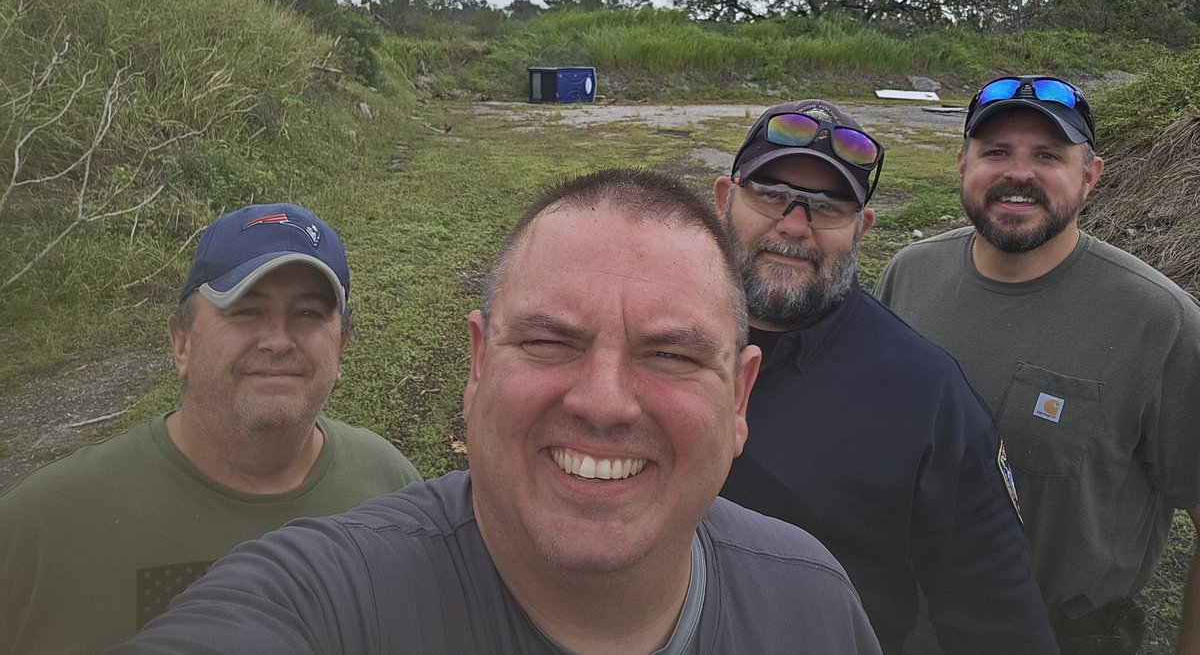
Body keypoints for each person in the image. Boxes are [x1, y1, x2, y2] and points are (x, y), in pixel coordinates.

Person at [116, 169, 883, 654]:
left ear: (740, 396)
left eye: (673, 355)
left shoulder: (813, 601)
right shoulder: (325, 602)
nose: (604, 403)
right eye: (550, 342)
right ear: (479, 366)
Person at [714, 100, 1057, 655]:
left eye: (829, 207)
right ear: (725, 200)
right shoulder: (647, 335)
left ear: (862, 228)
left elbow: (998, 621)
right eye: (772, 195)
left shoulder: (925, 394)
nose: (794, 226)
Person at [0, 203, 422, 654]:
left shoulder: (392, 495)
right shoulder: (41, 529)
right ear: (181, 342)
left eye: (308, 314)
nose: (278, 340)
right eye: (245, 311)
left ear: (340, 346)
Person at [874, 76, 1200, 655]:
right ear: (962, 165)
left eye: (1048, 155)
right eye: (996, 152)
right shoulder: (909, 275)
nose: (1017, 173)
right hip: (904, 630)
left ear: (1090, 176)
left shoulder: (1160, 322)